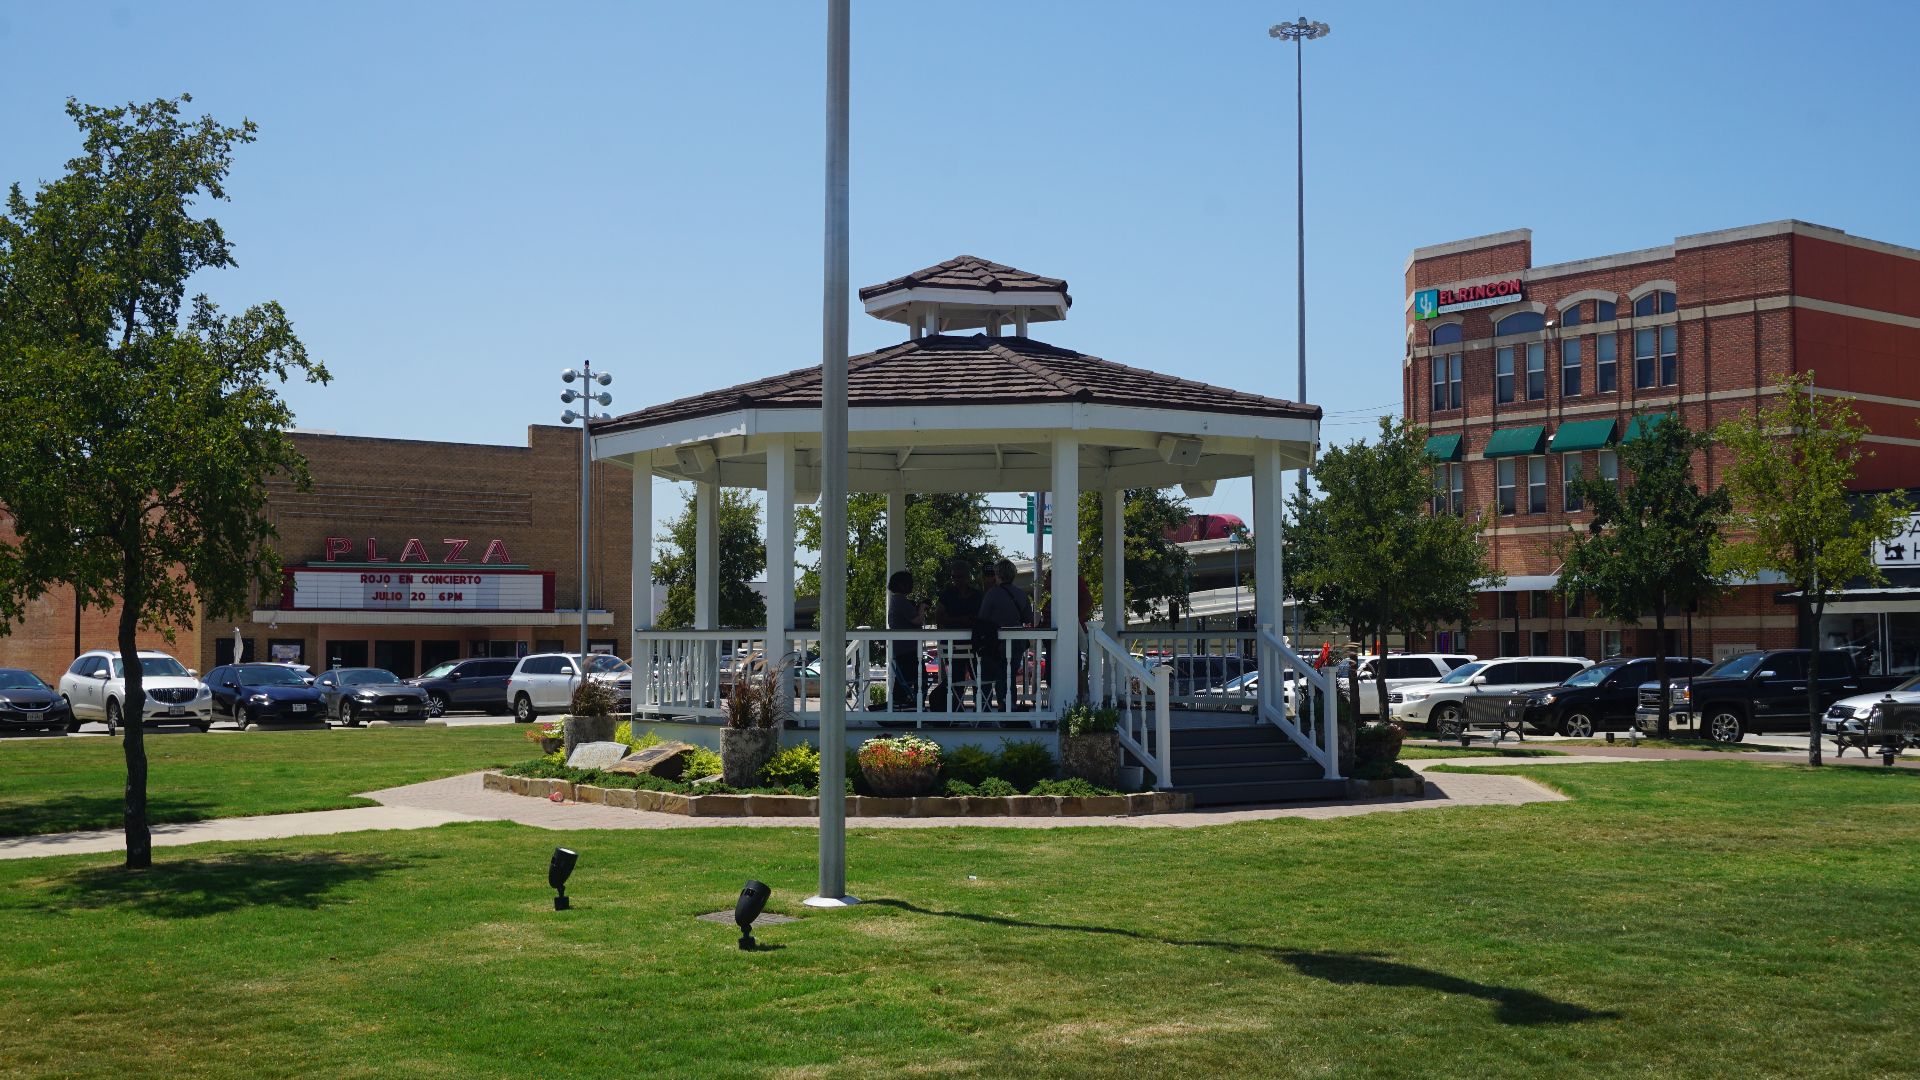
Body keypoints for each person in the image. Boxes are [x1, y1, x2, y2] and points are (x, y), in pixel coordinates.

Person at [977, 558, 1034, 712]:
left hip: (994, 643)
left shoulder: (992, 594)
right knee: (1008, 677)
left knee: (986, 677)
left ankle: (985, 710)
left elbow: (982, 618)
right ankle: (1009, 708)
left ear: (998, 574)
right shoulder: (1021, 595)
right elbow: (1029, 618)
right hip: (1016, 642)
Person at [927, 559, 984, 711]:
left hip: (975, 645)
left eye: (960, 576)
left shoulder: (977, 595)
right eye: (954, 577)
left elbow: (983, 618)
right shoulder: (947, 595)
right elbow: (938, 617)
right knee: (956, 680)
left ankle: (981, 710)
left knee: (978, 678)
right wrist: (960, 620)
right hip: (954, 646)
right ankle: (957, 710)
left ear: (967, 577)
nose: (956, 580)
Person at [885, 570, 925, 712]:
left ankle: (903, 708)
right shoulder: (901, 600)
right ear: (902, 584)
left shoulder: (896, 600)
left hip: (903, 648)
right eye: (909, 583)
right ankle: (905, 709)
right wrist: (922, 608)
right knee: (919, 680)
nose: (911, 586)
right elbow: (917, 620)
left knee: (905, 681)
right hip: (907, 649)